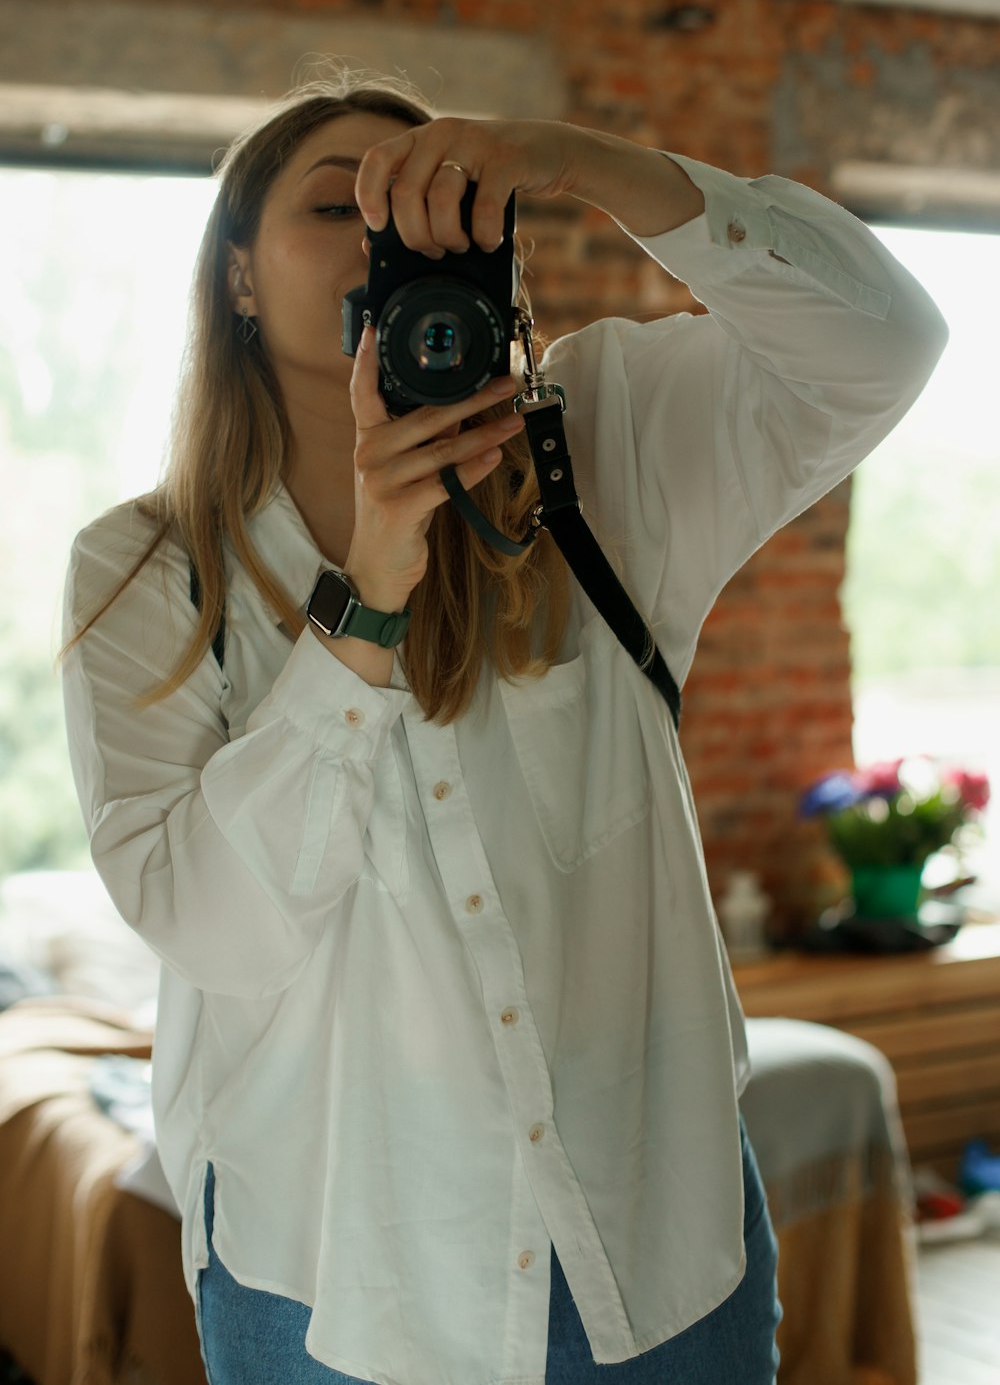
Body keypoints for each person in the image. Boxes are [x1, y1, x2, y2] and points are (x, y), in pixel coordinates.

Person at [60, 67, 948, 1385]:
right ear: (237, 276)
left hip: (654, 1257)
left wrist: (589, 161)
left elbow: (886, 343)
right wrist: (369, 597)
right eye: (337, 204)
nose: (390, 234)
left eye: (438, 206)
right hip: (334, 1286)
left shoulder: (611, 443)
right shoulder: (147, 570)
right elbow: (213, 926)